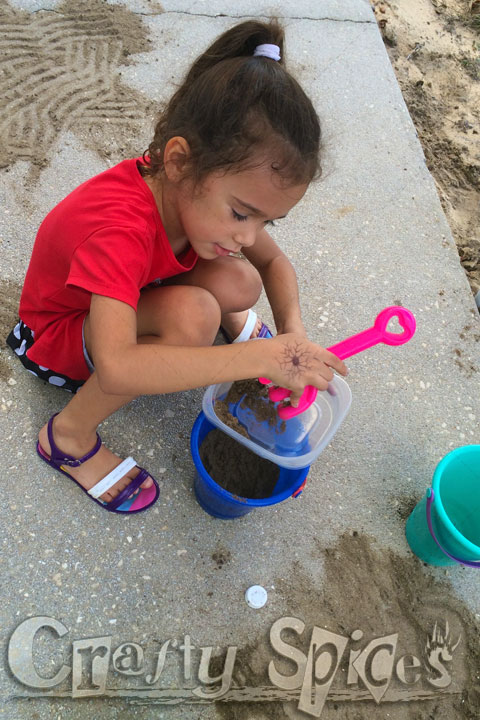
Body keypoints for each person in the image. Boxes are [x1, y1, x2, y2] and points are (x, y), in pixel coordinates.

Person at [6, 19, 348, 514]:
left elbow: (273, 263)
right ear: (180, 161)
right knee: (193, 316)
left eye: (268, 219)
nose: (250, 235)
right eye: (240, 214)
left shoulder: (191, 190)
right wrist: (262, 359)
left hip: (137, 290)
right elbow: (119, 366)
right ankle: (68, 436)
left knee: (240, 277)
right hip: (57, 337)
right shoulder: (119, 230)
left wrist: (291, 337)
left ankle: (211, 322)